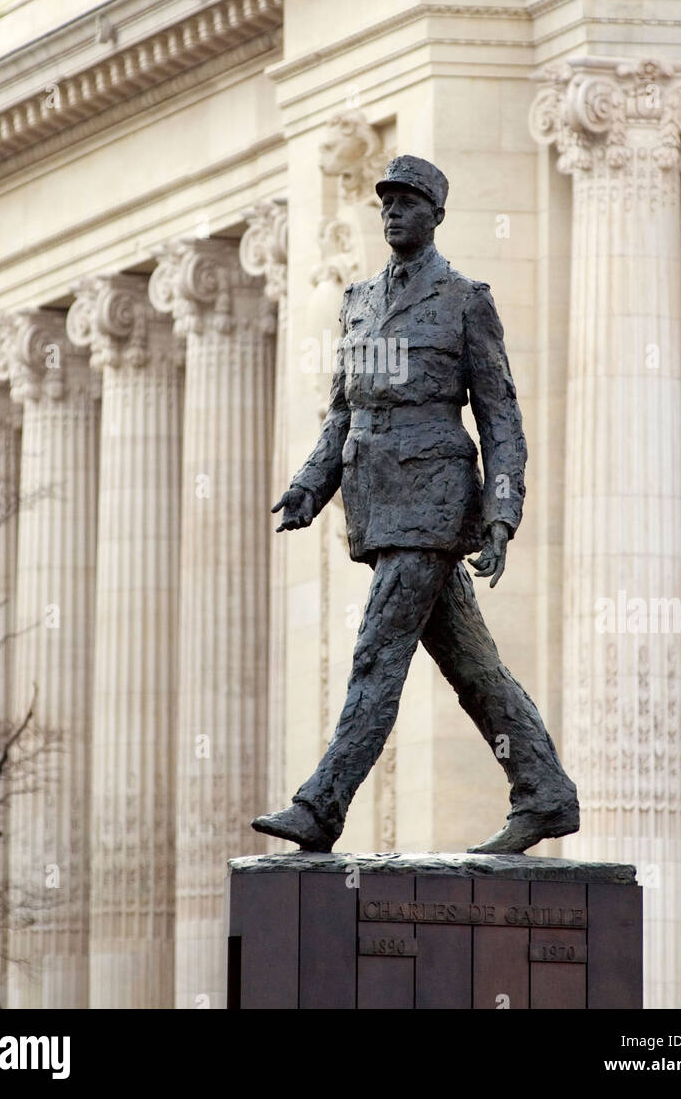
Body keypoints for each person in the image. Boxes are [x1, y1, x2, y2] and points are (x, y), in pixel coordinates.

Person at [253, 154, 579, 854]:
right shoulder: (359, 302)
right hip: (377, 505)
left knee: (378, 655)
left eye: (408, 201)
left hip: (433, 508)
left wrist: (501, 514)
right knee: (472, 665)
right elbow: (342, 412)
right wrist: (312, 486)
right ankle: (545, 790)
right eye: (386, 203)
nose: (393, 212)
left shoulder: (464, 300)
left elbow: (501, 418)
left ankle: (321, 807)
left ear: (436, 213)